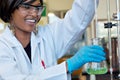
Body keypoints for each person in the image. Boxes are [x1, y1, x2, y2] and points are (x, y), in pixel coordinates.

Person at [0, 0, 105, 80]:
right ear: (10, 9)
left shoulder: (48, 34)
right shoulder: (2, 46)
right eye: (27, 7)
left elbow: (78, 19)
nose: (34, 14)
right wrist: (67, 66)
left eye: (38, 8)